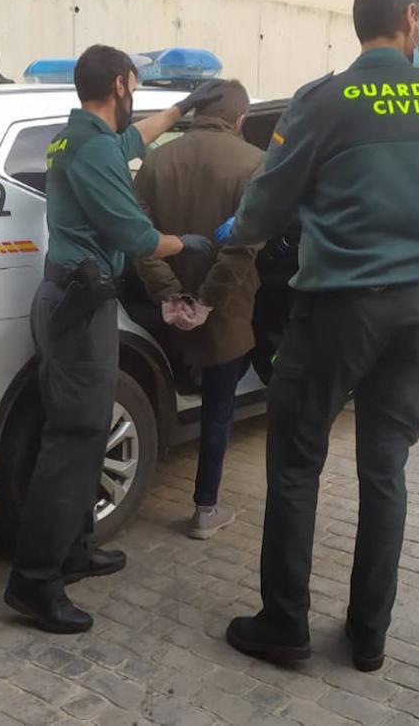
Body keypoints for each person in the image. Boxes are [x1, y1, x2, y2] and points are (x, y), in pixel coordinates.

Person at [217, 0, 419, 670]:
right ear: (413, 18)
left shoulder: (323, 101)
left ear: (360, 22)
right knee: (385, 470)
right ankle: (368, 635)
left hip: (337, 312)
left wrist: (239, 227)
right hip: (418, 311)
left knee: (298, 462)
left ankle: (285, 624)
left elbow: (265, 209)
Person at [4, 45, 223, 635]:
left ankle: (74, 550)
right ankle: (35, 581)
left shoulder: (72, 137)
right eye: (136, 84)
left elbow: (132, 141)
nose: (137, 94)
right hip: (80, 308)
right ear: (122, 85)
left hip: (70, 299)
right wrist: (191, 244)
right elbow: (134, 234)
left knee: (86, 429)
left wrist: (179, 109)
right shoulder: (93, 149)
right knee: (73, 441)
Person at [132, 79, 265, 540]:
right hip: (226, 311)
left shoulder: (155, 159)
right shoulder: (255, 164)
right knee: (219, 408)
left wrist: (169, 294)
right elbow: (241, 252)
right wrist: (206, 303)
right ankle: (205, 509)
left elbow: (137, 236)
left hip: (160, 310)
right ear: (240, 120)